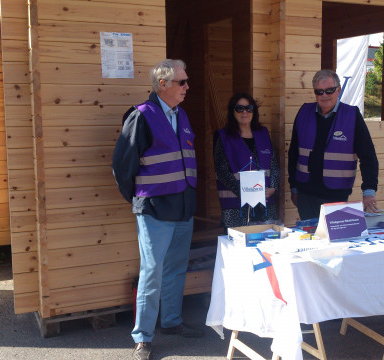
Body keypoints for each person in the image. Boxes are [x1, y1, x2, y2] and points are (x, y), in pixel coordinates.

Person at [112, 59, 203, 360]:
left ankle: (172, 322)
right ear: (163, 84)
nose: (187, 87)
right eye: (182, 82)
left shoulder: (182, 114)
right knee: (151, 273)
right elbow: (122, 165)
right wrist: (139, 200)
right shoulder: (141, 116)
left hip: (183, 209)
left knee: (177, 269)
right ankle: (143, 338)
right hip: (154, 211)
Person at [288, 69, 379, 220]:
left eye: (329, 90)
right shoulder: (304, 112)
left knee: (336, 241)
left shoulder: (352, 115)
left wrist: (369, 191)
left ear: (338, 90)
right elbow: (293, 154)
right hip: (305, 194)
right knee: (311, 240)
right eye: (319, 91)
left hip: (337, 195)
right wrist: (294, 187)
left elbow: (368, 157)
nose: (324, 95)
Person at [213, 93, 279, 228]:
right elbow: (221, 170)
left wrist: (273, 187)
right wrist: (247, 192)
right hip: (236, 206)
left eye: (249, 108)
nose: (244, 112)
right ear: (232, 112)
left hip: (265, 203)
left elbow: (273, 164)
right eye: (239, 108)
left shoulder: (263, 133)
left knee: (267, 243)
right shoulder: (224, 137)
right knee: (239, 245)